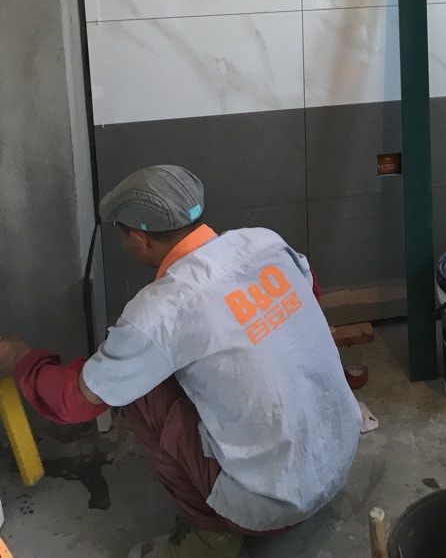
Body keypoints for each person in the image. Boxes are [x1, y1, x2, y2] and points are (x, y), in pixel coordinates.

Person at [0, 166, 362, 558]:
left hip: (274, 507)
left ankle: (210, 537)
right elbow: (311, 291)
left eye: (123, 236)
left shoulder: (159, 311)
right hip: (339, 458)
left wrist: (20, 359)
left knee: (138, 389)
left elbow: (76, 400)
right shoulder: (265, 242)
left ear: (140, 238)